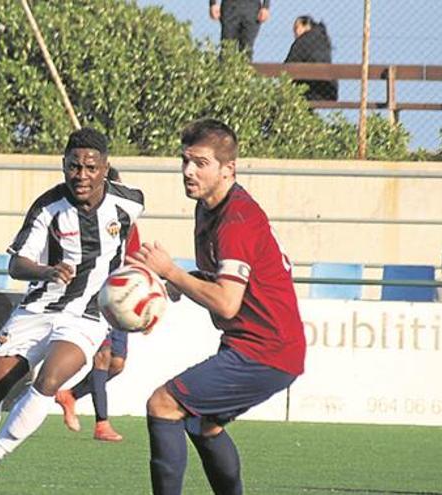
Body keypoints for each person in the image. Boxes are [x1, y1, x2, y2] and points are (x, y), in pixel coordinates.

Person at [0, 128, 145, 495]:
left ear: (105, 168)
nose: (82, 175)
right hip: (40, 306)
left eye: (91, 167)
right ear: (63, 165)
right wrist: (46, 271)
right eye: (74, 166)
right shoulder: (48, 207)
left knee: (49, 381)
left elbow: (128, 251)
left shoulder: (130, 202)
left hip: (88, 315)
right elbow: (17, 264)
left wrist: (148, 291)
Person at [130, 118, 305, 495]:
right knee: (204, 425)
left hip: (265, 350)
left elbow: (227, 303)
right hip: (256, 346)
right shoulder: (210, 207)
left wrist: (173, 273)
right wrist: (181, 282)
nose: (188, 171)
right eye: (185, 161)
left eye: (201, 163)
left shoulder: (236, 219)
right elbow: (228, 276)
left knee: (163, 404)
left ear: (229, 168)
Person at [54, 166, 140, 443]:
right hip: (94, 298)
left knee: (117, 364)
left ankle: (70, 395)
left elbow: (134, 260)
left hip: (120, 298)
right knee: (102, 357)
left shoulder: (126, 220)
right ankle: (102, 424)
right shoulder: (80, 218)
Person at [284, 15, 338, 101]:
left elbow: (288, 65)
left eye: (296, 28)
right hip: (328, 88)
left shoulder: (302, 41)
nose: (294, 33)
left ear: (306, 26)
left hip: (309, 88)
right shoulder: (323, 40)